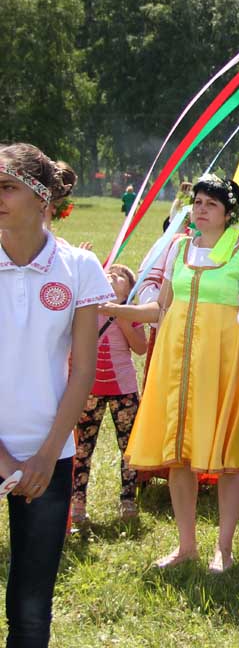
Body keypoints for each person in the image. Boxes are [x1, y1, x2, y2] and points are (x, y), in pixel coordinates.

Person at [0, 143, 114, 648]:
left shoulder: (78, 267)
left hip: (50, 456)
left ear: (42, 197)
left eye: (7, 187)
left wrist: (46, 455)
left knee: (30, 607)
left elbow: (83, 371)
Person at [123, 175, 239, 572]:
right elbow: (162, 309)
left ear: (229, 213)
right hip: (175, 367)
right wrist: (117, 311)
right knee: (177, 455)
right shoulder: (177, 249)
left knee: (227, 456)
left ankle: (225, 547)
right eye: (197, 202)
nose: (200, 209)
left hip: (223, 366)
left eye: (210, 204)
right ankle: (186, 545)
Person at [72, 264, 147, 527]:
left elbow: (140, 347)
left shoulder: (130, 312)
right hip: (89, 389)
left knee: (128, 448)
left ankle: (128, 499)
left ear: (130, 288)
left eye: (120, 276)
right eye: (109, 273)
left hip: (123, 389)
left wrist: (120, 313)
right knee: (83, 447)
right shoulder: (88, 309)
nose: (112, 277)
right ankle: (77, 502)